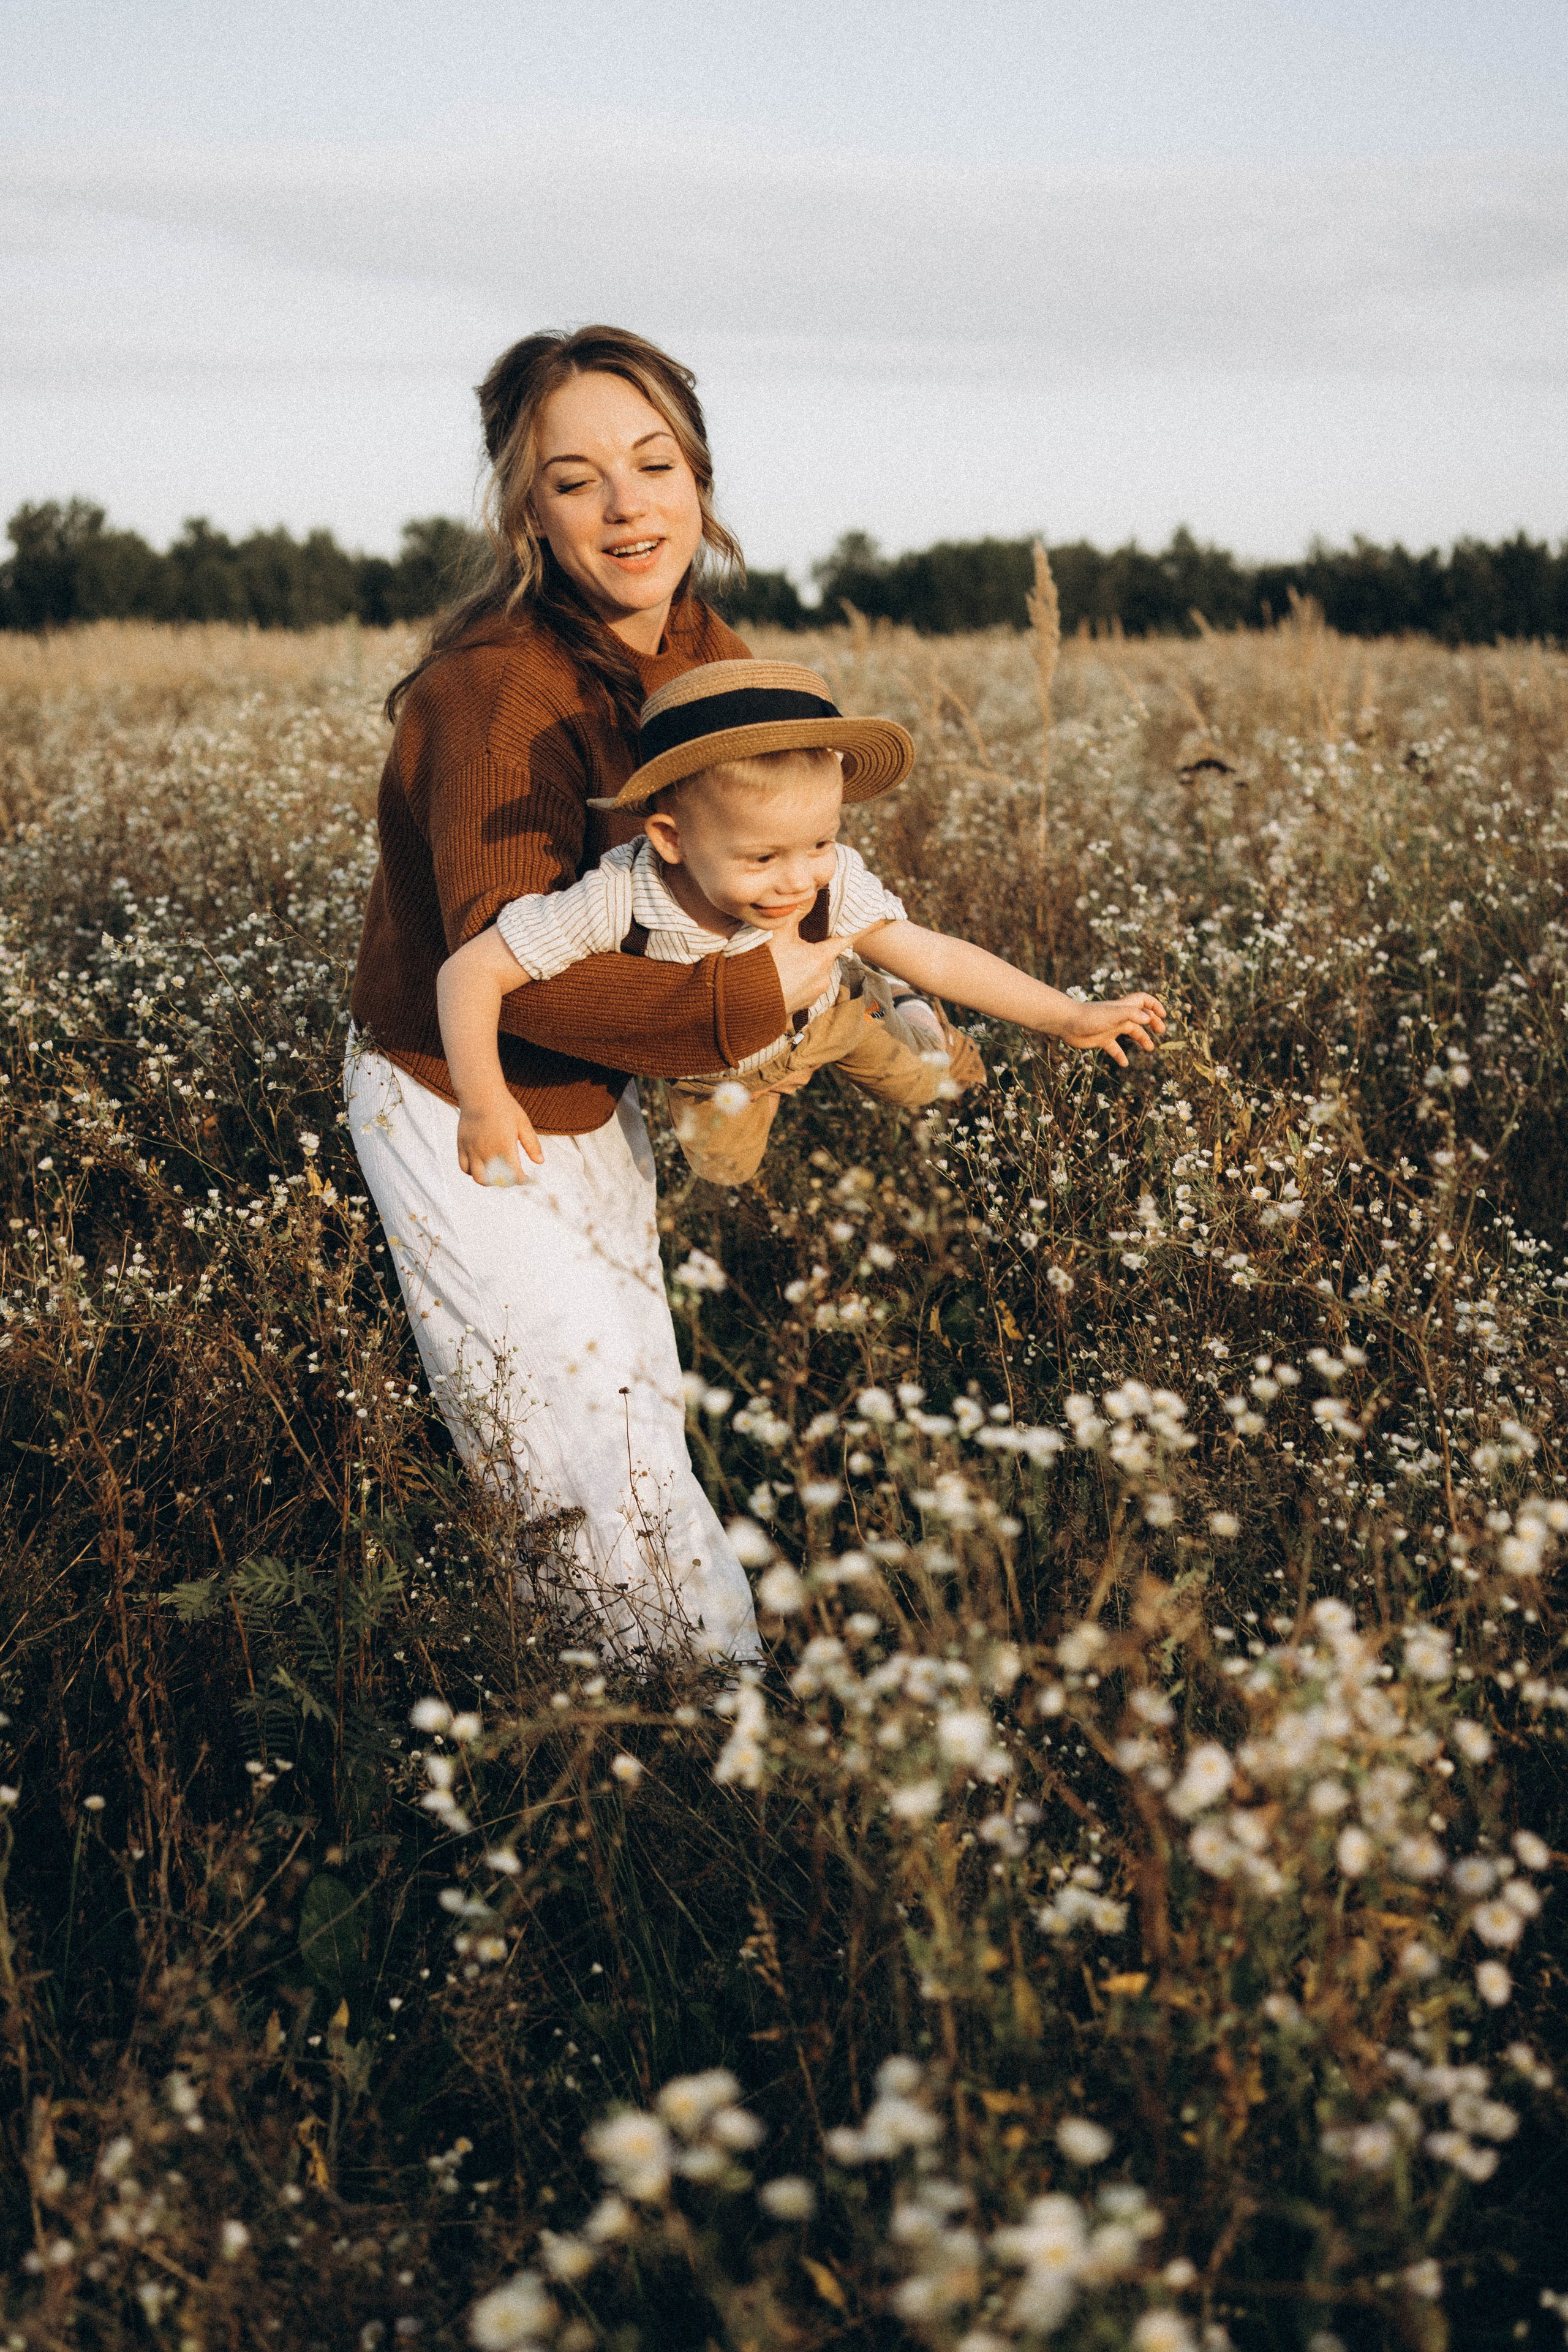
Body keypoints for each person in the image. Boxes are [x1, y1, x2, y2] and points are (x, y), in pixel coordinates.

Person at [345, 325, 940, 1667]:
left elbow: (773, 851)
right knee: (572, 1453)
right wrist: (744, 1003)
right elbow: (505, 962)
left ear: (699, 476)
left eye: (652, 463)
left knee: (629, 1407)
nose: (625, 507)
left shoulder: (698, 655)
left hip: (593, 1093)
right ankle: (675, 1756)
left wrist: (871, 975)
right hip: (460, 1091)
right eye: (574, 479)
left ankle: (671, 1740)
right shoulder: (498, 690)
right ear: (525, 510)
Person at [435, 658, 1169, 1189]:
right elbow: (470, 970)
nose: (797, 878)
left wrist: (1067, 1017)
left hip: (827, 1022)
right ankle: (802, 1063)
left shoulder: (829, 885)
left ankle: (892, 1004)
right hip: (714, 1072)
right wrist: (485, 1100)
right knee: (725, 1169)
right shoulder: (620, 896)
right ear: (671, 840)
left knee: (929, 1086)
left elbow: (937, 956)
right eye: (761, 857)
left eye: (819, 842)